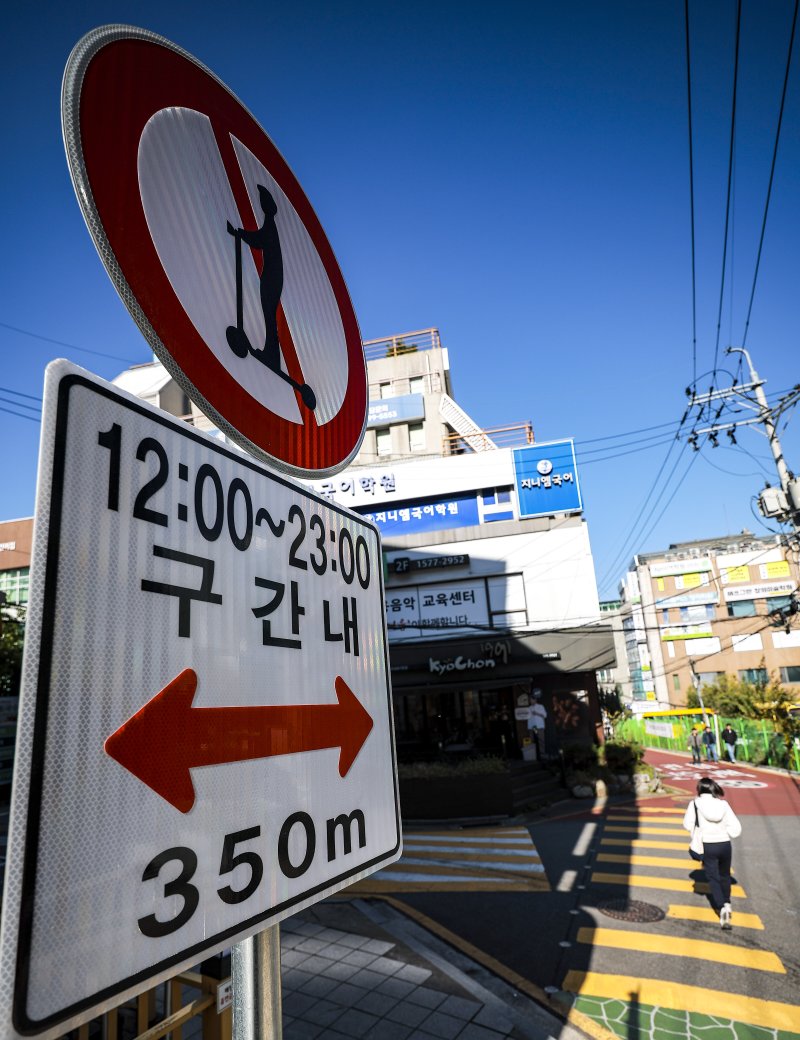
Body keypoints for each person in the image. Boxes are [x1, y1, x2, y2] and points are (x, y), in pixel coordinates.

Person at [683, 777, 742, 929]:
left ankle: (721, 907)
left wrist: (698, 831)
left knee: (713, 878)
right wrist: (724, 832)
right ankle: (728, 903)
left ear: (700, 789)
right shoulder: (723, 804)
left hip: (707, 845)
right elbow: (736, 828)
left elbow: (687, 824)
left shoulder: (695, 803)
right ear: (713, 788)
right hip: (724, 844)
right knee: (724, 875)